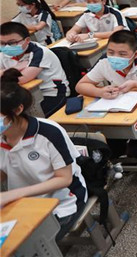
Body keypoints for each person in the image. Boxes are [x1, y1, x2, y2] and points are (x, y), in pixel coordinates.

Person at [0, 69, 88, 240]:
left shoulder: (48, 132)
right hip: (21, 204)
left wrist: (14, 194)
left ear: (17, 110)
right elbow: (3, 171)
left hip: (63, 202)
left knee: (28, 244)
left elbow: (64, 179)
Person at [76, 30, 137, 125]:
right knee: (110, 131)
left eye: (122, 54)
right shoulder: (104, 61)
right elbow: (80, 86)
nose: (115, 57)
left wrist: (135, 84)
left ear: (135, 54)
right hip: (121, 104)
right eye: (111, 52)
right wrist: (100, 92)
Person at [0, 22, 70, 117]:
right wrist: (15, 68)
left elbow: (21, 79)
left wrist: (5, 73)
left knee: (22, 118)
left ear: (27, 40)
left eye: (12, 43)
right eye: (2, 43)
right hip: (21, 93)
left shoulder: (39, 52)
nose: (7, 47)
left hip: (51, 93)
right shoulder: (4, 54)